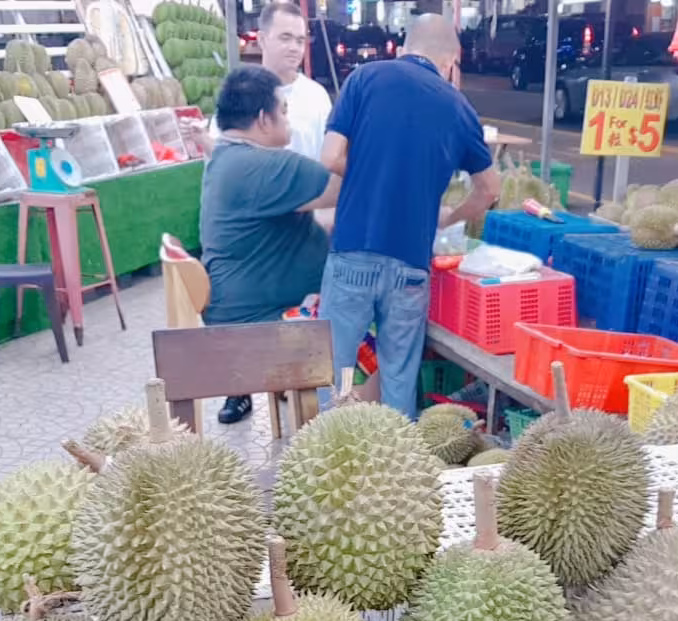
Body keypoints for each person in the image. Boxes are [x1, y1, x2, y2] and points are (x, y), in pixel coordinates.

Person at [319, 14, 500, 418]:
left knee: (337, 375)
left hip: (353, 255)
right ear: (452, 61)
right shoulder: (459, 107)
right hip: (410, 269)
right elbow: (490, 189)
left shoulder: (365, 78)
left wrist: (368, 172)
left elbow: (330, 156)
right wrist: (450, 216)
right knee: (399, 379)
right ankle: (400, 461)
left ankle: (334, 460)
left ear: (403, 48)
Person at [199, 65, 339, 424]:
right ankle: (343, 433)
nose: (288, 120)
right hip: (262, 326)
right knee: (379, 324)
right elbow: (345, 183)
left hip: (238, 312)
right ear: (264, 119)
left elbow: (311, 215)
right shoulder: (261, 166)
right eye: (284, 112)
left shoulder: (229, 158)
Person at [200, 2, 333, 161]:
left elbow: (328, 161)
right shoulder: (238, 92)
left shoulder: (316, 96)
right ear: (262, 40)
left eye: (300, 41)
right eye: (285, 38)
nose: (294, 48)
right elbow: (219, 159)